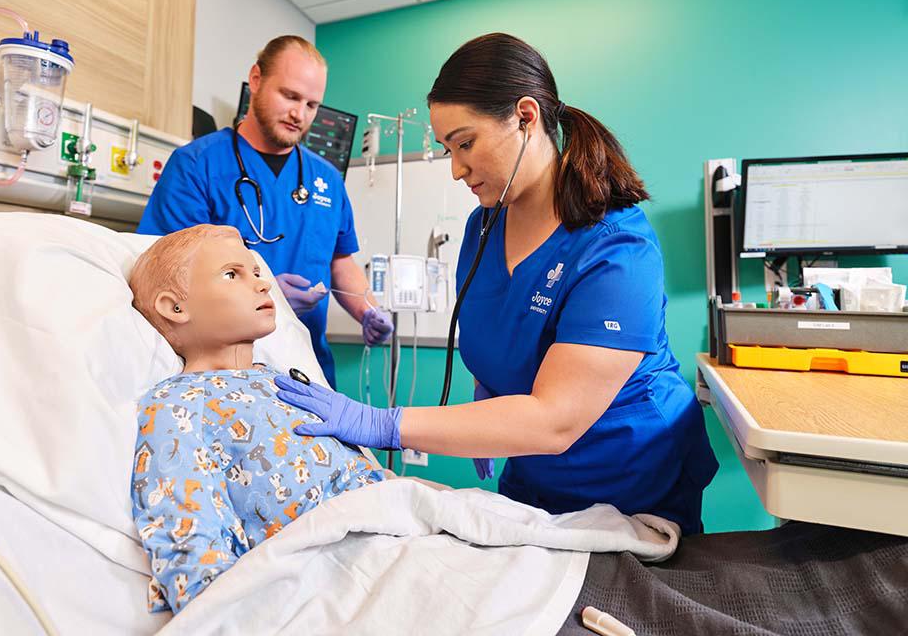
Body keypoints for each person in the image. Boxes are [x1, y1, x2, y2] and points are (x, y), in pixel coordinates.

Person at [272, 33, 719, 536]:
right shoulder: (483, 227)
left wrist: (380, 423)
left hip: (632, 484)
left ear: (526, 117)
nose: (457, 169)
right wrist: (490, 398)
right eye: (447, 149)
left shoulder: (617, 248)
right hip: (532, 476)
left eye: (466, 143)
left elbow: (555, 419)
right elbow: (509, 338)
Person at [128, 224, 384, 614]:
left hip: (392, 530)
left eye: (258, 273)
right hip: (332, 572)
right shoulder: (176, 405)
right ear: (175, 307)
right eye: (232, 274)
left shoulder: (286, 378)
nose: (264, 286)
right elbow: (190, 542)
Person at [137, 36, 391, 387]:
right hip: (221, 371)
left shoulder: (327, 181)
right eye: (289, 96)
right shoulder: (197, 165)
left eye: (312, 104)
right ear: (256, 80)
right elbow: (165, 271)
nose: (299, 114)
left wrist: (368, 311)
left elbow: (340, 260)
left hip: (309, 367)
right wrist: (269, 290)